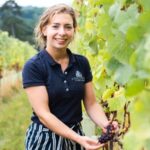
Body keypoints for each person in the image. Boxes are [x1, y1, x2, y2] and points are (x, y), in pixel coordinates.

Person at [22, 3, 118, 150]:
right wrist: (78, 139)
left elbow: (91, 104)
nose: (62, 32)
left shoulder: (81, 63)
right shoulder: (34, 66)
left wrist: (106, 125)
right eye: (55, 26)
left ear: (73, 30)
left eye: (68, 27)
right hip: (45, 138)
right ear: (44, 29)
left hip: (75, 136)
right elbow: (44, 115)